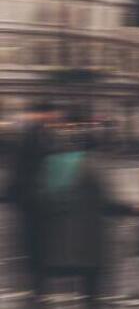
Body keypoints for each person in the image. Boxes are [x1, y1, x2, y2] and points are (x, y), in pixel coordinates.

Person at [36, 108, 139, 309]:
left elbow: (42, 197)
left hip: (57, 241)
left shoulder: (51, 163)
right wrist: (132, 209)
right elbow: (106, 200)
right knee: (91, 291)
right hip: (87, 240)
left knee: (60, 286)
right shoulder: (91, 164)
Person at [6, 101, 60, 301]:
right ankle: (37, 287)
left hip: (34, 200)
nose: (55, 118)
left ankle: (38, 286)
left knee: (37, 244)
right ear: (41, 114)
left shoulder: (42, 135)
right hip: (33, 200)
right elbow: (23, 169)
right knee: (35, 243)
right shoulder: (31, 136)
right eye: (52, 113)